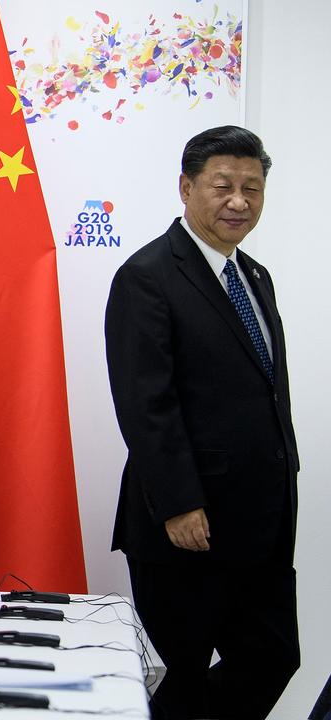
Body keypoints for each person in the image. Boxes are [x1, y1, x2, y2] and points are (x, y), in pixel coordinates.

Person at [105, 125, 299, 719]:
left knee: (272, 656)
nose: (239, 201)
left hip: (260, 520)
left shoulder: (255, 276)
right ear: (186, 188)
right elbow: (146, 405)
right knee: (184, 673)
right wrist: (179, 503)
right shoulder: (148, 277)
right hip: (189, 524)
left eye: (252, 188)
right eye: (223, 186)